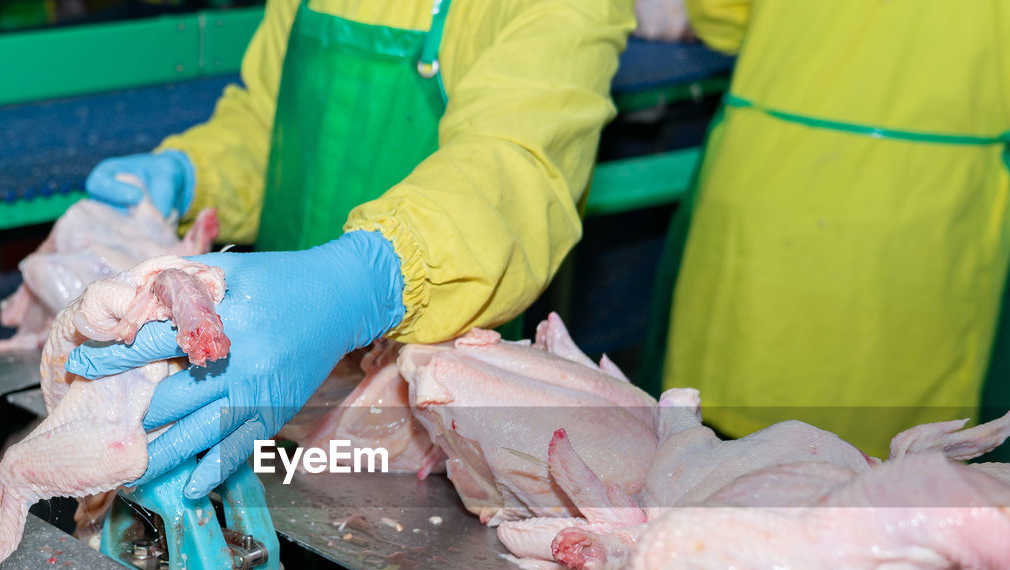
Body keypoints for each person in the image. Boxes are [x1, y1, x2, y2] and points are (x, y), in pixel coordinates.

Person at [66, 0, 634, 498]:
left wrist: (368, 279)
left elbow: (516, 167)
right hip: (254, 342)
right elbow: (270, 124)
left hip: (424, 401)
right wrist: (196, 172)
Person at [639, 0, 1010, 460]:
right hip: (934, 218)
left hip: (773, 187)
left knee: (712, 473)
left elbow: (719, 16)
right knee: (897, 487)